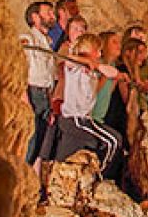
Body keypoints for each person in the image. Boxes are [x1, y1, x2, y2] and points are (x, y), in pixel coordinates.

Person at [49, 33, 124, 178]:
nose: (99, 54)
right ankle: (99, 177)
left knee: (114, 140)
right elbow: (69, 60)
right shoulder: (74, 66)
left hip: (86, 118)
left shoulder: (94, 69)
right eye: (97, 50)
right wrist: (84, 60)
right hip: (75, 118)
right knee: (111, 142)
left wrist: (95, 65)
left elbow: (112, 72)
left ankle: (99, 175)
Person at [19, 1, 56, 169]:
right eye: (48, 12)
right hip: (32, 93)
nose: (52, 16)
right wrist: (23, 97)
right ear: (35, 17)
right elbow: (21, 70)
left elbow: (48, 75)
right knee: (30, 140)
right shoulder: (28, 39)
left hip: (44, 95)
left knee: (40, 140)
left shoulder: (47, 42)